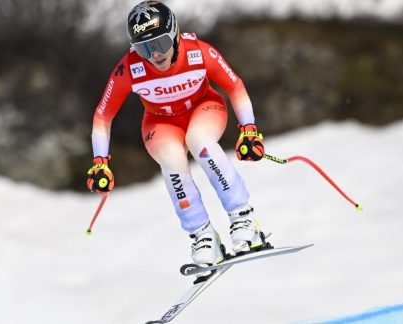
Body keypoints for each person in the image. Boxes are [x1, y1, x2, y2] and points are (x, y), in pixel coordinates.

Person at [87, 1, 268, 272]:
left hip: (203, 108)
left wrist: (249, 130)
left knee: (200, 142)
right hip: (160, 121)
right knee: (171, 160)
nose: (155, 54)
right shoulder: (130, 68)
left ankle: (243, 219)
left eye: (160, 43)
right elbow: (103, 115)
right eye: (143, 47)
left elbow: (235, 87)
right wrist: (100, 161)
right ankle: (202, 236)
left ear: (174, 33)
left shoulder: (199, 52)